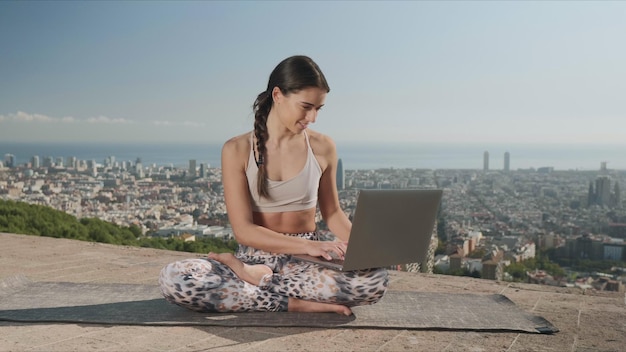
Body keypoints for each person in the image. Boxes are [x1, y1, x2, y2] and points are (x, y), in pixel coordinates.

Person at [158, 55, 389, 315]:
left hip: (306, 262)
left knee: (375, 281)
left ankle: (258, 282)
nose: (312, 117)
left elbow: (333, 214)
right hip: (254, 255)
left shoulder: (324, 146)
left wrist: (371, 249)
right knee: (175, 278)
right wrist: (310, 246)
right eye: (305, 106)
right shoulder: (236, 149)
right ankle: (292, 302)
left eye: (318, 109)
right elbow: (244, 230)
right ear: (277, 95)